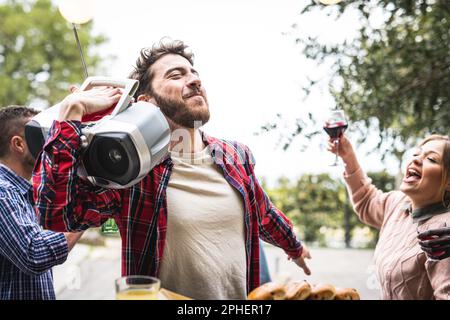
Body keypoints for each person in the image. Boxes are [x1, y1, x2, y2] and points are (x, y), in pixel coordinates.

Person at [33, 39, 311, 300]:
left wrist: (294, 247)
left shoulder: (235, 155)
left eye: (193, 73)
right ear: (146, 102)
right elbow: (57, 215)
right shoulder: (131, 173)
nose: (194, 79)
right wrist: (71, 114)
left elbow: (263, 213)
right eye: (176, 75)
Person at [328, 133, 450, 299]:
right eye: (416, 154)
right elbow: (367, 200)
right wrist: (348, 156)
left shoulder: (443, 234)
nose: (416, 160)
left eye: (431, 159)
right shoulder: (398, 203)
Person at [0, 106, 83, 300]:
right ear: (18, 144)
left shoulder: (23, 192)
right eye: (44, 134)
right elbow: (35, 253)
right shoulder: (3, 192)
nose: (53, 142)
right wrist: (85, 213)